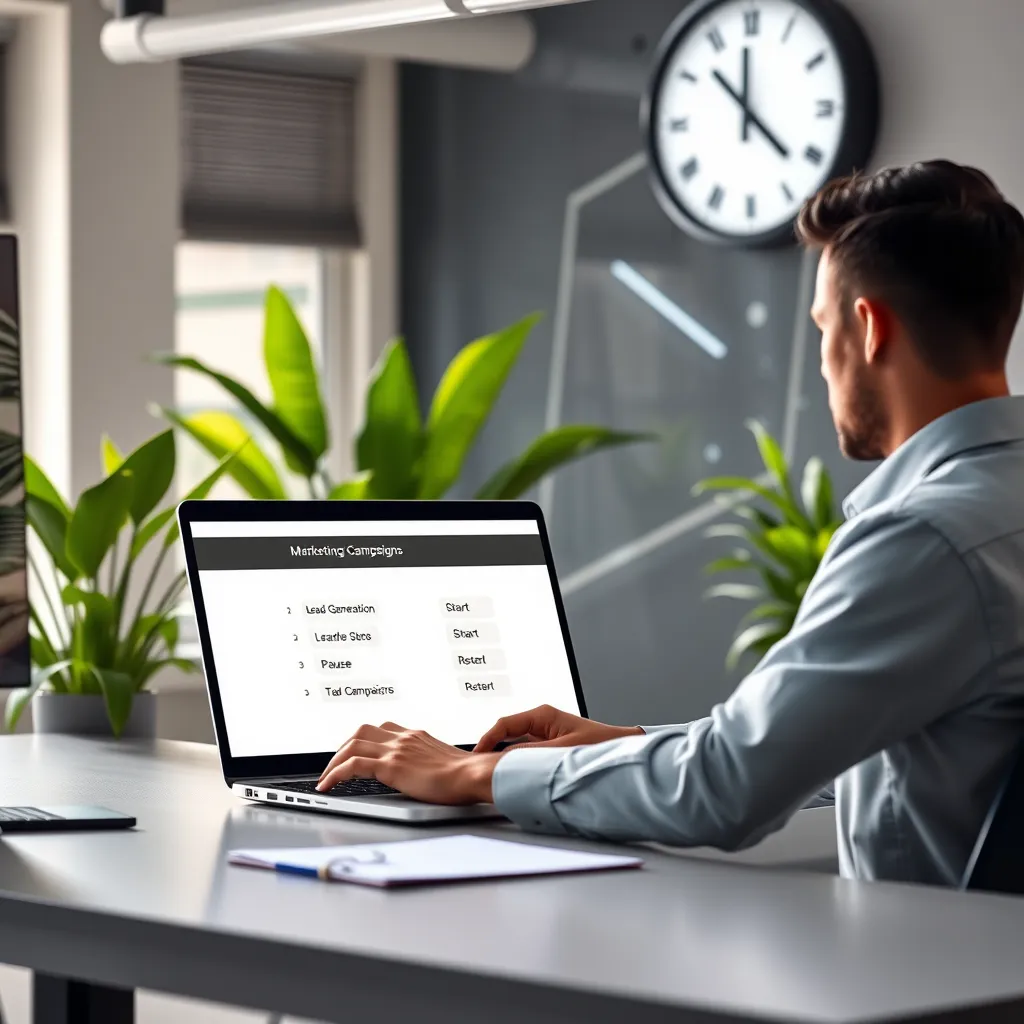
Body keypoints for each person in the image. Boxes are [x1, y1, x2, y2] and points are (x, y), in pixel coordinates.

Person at [318, 160, 1024, 886]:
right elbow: (861, 755)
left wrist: (480, 775)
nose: (822, 360)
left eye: (822, 327)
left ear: (869, 328)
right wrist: (617, 746)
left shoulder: (923, 540)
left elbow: (725, 790)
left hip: (929, 983)